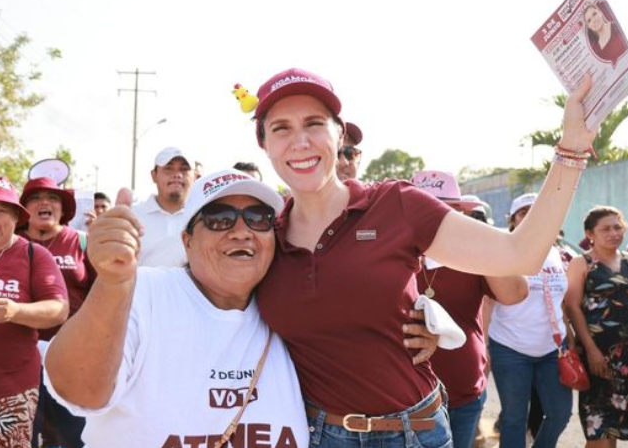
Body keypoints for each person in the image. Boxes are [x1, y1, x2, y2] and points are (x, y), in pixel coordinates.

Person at [251, 67, 597, 447]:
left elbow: (520, 254)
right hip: (314, 434)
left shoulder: (396, 205)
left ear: (339, 134)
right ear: (264, 144)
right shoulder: (262, 237)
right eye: (281, 128)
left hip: (411, 433)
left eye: (314, 123)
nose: (299, 141)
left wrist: (572, 148)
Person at [43, 170, 310, 447]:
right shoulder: (144, 292)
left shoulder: (290, 310)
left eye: (258, 219)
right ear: (187, 241)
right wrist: (112, 283)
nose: (242, 232)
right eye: (220, 219)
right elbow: (80, 390)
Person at [412, 170, 529, 448]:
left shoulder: (473, 254)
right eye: (423, 210)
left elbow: (515, 293)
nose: (433, 219)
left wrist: (481, 243)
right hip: (406, 397)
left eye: (444, 211)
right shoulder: (391, 253)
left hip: (462, 391)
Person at [0, 175, 68, 447]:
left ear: (16, 217)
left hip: (9, 395)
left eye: (0, 210)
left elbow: (58, 309)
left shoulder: (33, 255)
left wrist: (15, 311)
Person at [487, 193, 573, 448]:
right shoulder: (503, 253)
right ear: (513, 221)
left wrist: (572, 342)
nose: (532, 217)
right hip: (510, 348)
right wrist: (482, 347)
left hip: (553, 349)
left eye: (537, 211)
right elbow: (488, 302)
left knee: (560, 413)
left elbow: (564, 303)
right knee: (514, 418)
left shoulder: (561, 254)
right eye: (524, 212)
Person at [18, 176, 96, 448]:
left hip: (72, 355)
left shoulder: (83, 242)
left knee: (72, 437)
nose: (45, 203)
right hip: (18, 357)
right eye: (36, 198)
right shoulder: (10, 243)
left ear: (64, 210)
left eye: (53, 199)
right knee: (24, 434)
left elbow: (102, 294)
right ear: (24, 208)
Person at [566, 206, 628, 446]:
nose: (613, 233)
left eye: (617, 227)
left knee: (614, 429)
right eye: (605, 229)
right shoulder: (582, 263)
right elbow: (572, 307)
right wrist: (590, 350)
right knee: (598, 429)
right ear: (590, 233)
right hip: (599, 357)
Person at [132, 146, 198, 267]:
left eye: (184, 169)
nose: (177, 175)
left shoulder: (204, 217)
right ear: (154, 175)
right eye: (168, 169)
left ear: (195, 176)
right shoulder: (133, 215)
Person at [584, 2, 628, 66]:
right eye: (589, 20)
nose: (593, 20)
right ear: (589, 26)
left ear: (600, 12)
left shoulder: (617, 27)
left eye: (594, 14)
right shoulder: (597, 48)